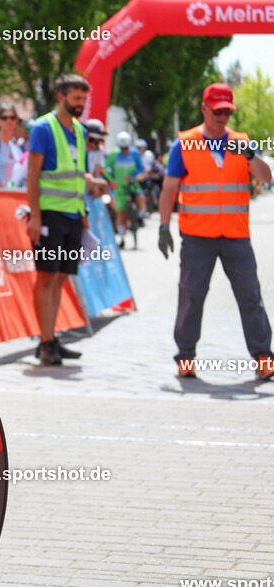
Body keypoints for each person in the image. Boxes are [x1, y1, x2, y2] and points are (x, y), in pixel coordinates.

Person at [157, 82, 273, 381]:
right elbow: (169, 188)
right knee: (191, 296)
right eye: (218, 111)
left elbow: (266, 177)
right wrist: (163, 226)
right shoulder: (185, 143)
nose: (223, 117)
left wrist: (249, 155)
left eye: (227, 111)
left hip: (236, 236)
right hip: (197, 237)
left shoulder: (241, 142)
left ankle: (263, 357)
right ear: (204, 109)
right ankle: (185, 357)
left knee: (250, 296)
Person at [26, 74, 109, 365]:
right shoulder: (43, 128)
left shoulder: (79, 130)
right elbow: (32, 174)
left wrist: (91, 188)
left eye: (84, 99)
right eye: (76, 99)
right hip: (49, 214)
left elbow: (76, 174)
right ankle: (46, 341)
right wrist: (34, 215)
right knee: (47, 276)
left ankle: (51, 339)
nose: (81, 105)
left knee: (61, 278)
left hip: (73, 214)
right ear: (61, 97)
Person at [104, 131, 147, 247]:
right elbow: (105, 167)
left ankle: (139, 217)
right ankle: (122, 237)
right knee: (120, 212)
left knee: (141, 198)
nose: (124, 151)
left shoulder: (135, 153)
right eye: (122, 148)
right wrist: (111, 179)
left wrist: (133, 176)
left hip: (133, 184)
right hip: (120, 186)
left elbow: (141, 168)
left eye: (126, 148)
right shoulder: (114, 154)